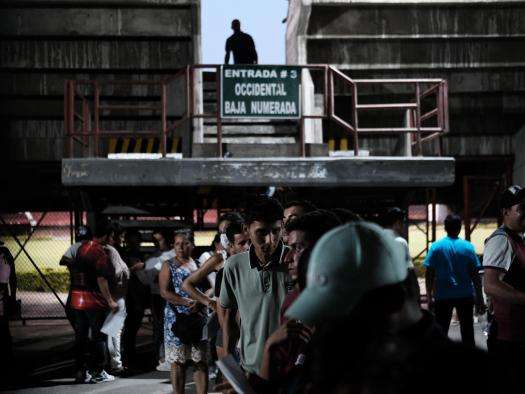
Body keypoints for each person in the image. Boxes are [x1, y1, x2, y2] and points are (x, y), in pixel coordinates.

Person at [286, 222, 501, 394]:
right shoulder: (336, 361)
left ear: (390, 300)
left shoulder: (471, 376)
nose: (329, 329)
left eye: (340, 316)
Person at [219, 196, 288, 375]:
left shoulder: (295, 262)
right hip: (251, 369)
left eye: (275, 231)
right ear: (246, 230)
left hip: (291, 369)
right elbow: (229, 318)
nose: (270, 240)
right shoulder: (234, 267)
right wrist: (230, 367)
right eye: (262, 232)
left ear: (283, 227)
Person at [183, 218, 249, 359]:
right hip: (226, 321)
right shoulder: (220, 260)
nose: (224, 235)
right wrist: (209, 302)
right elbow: (187, 284)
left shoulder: (252, 260)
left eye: (227, 231)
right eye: (222, 232)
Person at [483, 185, 525, 387]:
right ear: (505, 212)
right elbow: (490, 285)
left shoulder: (518, 239)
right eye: (522, 208)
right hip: (507, 339)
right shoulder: (500, 241)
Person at [424, 214, 485, 346]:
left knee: (441, 333)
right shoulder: (468, 247)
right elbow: (475, 275)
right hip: (465, 295)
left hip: (442, 296)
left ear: (445, 228)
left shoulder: (436, 247)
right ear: (459, 228)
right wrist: (479, 297)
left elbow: (429, 274)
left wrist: (429, 297)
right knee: (468, 334)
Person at [159, 230, 208, 394]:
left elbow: (209, 288)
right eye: (177, 244)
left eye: (185, 243)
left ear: (192, 245)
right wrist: (186, 302)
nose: (180, 247)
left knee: (199, 360)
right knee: (178, 361)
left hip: (197, 317)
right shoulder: (168, 265)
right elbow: (164, 292)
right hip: (176, 319)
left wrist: (201, 302)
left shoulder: (199, 265)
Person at [70, 222, 118, 384]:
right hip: (93, 300)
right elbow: (101, 278)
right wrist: (110, 300)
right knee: (98, 337)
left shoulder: (80, 249)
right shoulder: (99, 251)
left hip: (78, 298)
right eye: (111, 236)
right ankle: (98, 371)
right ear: (104, 236)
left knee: (81, 336)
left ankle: (80, 371)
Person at [121, 229, 149, 370]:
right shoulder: (132, 255)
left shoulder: (127, 253)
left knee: (129, 328)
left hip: (132, 295)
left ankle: (128, 356)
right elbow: (138, 276)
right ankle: (128, 358)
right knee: (130, 328)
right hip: (133, 296)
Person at [148, 229, 174, 372]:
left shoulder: (172, 255)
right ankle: (160, 356)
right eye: (155, 240)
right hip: (157, 295)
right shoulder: (155, 256)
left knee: (168, 325)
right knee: (159, 326)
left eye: (159, 240)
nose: (157, 243)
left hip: (168, 295)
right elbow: (150, 278)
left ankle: (169, 356)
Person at [105, 225, 130, 375]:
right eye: (120, 236)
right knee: (114, 332)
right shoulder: (111, 250)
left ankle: (113, 363)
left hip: (112, 295)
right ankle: (116, 364)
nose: (121, 240)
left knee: (112, 331)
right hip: (116, 295)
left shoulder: (103, 249)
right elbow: (118, 273)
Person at [60, 226, 93, 330]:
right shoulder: (95, 247)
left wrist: (75, 263)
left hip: (78, 286)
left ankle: (82, 336)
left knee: (73, 312)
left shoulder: (75, 246)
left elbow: (62, 261)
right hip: (93, 285)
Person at [0, 241, 15, 373]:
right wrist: (13, 296)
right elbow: (13, 277)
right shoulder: (6, 253)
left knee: (4, 327)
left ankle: (7, 358)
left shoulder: (5, 254)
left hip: (3, 292)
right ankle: (8, 358)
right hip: (3, 292)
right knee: (4, 327)